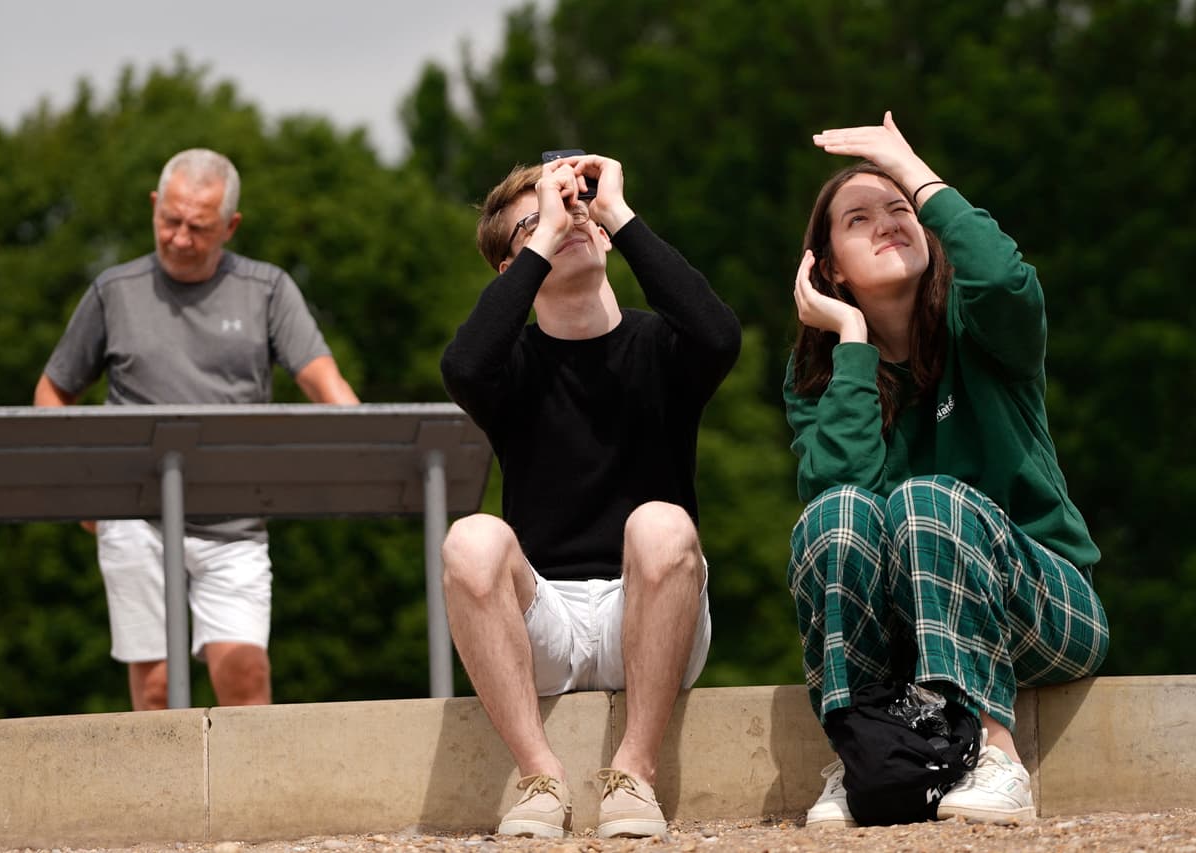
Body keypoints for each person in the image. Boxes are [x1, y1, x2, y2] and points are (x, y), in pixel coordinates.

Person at [783, 112, 1109, 827]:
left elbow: (1004, 279)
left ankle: (998, 755)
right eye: (859, 219)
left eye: (900, 208)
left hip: (1043, 607)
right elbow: (841, 503)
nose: (887, 222)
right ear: (829, 268)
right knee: (836, 516)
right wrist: (853, 339)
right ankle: (867, 753)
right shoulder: (823, 373)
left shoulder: (983, 325)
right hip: (908, 639)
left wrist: (914, 170)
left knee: (927, 499)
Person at [440, 153, 741, 838]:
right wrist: (548, 233)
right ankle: (539, 775)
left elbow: (719, 333)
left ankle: (635, 770)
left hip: (653, 605)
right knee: (470, 538)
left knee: (661, 523)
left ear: (602, 230)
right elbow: (463, 365)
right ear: (513, 269)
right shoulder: (509, 367)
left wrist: (616, 211)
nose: (565, 218)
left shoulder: (662, 347)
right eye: (537, 221)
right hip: (543, 616)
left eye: (575, 207)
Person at [34, 148, 360, 711]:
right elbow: (53, 390)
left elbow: (326, 384)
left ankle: (249, 776)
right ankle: (162, 775)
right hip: (134, 515)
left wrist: (369, 451)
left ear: (230, 227)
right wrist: (83, 492)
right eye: (170, 221)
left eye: (199, 227)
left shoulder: (267, 289)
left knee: (245, 675)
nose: (180, 238)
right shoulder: (114, 291)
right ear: (154, 206)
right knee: (156, 686)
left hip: (234, 519)